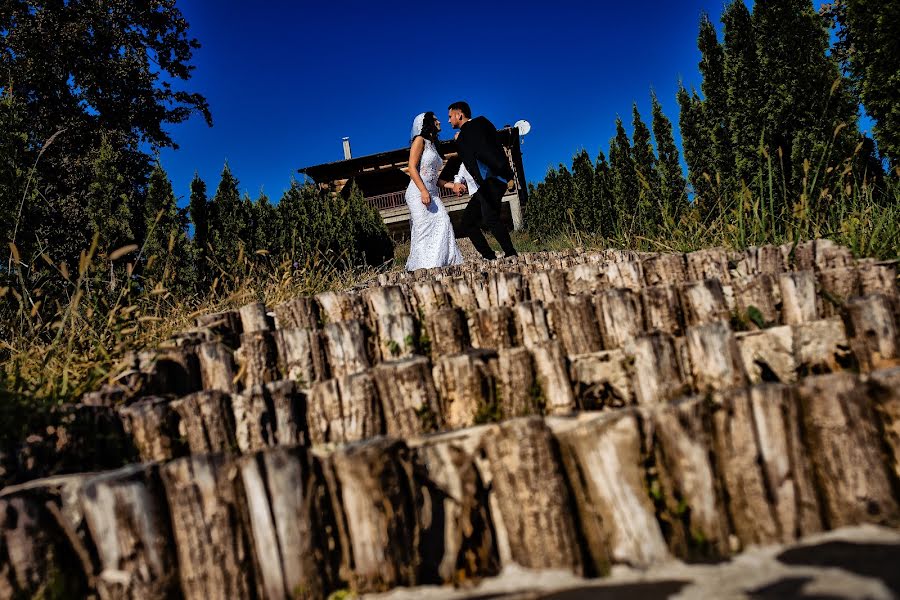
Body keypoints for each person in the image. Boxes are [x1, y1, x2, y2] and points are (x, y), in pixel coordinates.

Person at [448, 101, 518, 259]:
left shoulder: (476, 126)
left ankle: (511, 253)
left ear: (460, 115)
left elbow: (488, 150)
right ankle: (489, 256)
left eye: (450, 116)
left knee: (490, 217)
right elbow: (469, 160)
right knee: (467, 222)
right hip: (484, 184)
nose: (449, 120)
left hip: (493, 179)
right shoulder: (472, 130)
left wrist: (507, 174)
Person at [404, 111, 464, 271]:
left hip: (433, 193)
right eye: (436, 119)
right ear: (427, 123)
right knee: (424, 230)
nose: (440, 122)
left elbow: (433, 178)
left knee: (444, 222)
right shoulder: (419, 140)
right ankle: (425, 269)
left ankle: (445, 265)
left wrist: (453, 186)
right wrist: (423, 191)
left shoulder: (433, 145)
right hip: (417, 192)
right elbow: (411, 168)